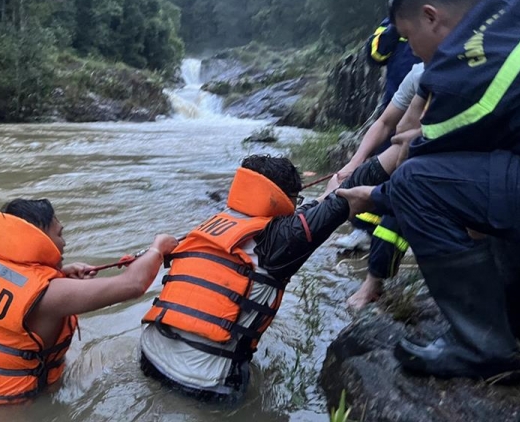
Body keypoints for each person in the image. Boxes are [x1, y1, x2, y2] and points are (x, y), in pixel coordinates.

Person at [338, 0, 520, 381]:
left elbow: (418, 174)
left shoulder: (465, 73)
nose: (413, 51)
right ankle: (517, 307)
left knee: (417, 183)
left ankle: (481, 348)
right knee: (499, 160)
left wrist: (370, 196)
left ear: (430, 15)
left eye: (409, 38)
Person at [139, 155, 377, 401]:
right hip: (205, 385)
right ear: (285, 201)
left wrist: (325, 196)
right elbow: (334, 206)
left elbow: (300, 221)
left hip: (149, 357)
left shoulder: (214, 225)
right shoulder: (281, 241)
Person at [0, 199, 178, 405]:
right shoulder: (51, 296)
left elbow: (21, 286)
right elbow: (132, 285)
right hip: (14, 408)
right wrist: (158, 248)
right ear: (38, 239)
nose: (64, 242)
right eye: (59, 234)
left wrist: (60, 274)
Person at [331, 63, 426, 309]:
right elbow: (387, 123)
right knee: (390, 212)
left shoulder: (467, 64)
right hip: (410, 158)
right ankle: (373, 283)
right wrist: (354, 162)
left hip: (455, 160)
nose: (412, 48)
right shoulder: (418, 71)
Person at [333, 20, 422, 251]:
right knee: (381, 169)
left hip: (432, 104)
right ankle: (364, 231)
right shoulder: (393, 22)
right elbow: (376, 55)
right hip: (396, 103)